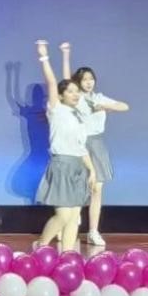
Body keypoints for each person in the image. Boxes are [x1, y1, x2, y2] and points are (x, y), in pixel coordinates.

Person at [31, 39, 98, 252]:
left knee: (74, 216)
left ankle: (68, 255)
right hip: (61, 165)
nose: (75, 94)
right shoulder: (56, 110)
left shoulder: (78, 116)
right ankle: (41, 245)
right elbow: (52, 82)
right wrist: (44, 56)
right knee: (63, 215)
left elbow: (81, 148)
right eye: (70, 91)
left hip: (78, 166)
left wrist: (92, 170)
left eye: (77, 91)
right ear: (60, 96)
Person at [61, 42, 130, 247]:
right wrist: (66, 54)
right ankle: (70, 223)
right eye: (85, 79)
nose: (89, 82)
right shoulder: (76, 97)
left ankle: (93, 231)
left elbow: (124, 106)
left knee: (97, 189)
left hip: (97, 145)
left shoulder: (99, 98)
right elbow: (66, 79)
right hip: (79, 144)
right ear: (79, 81)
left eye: (91, 79)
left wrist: (105, 106)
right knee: (76, 187)